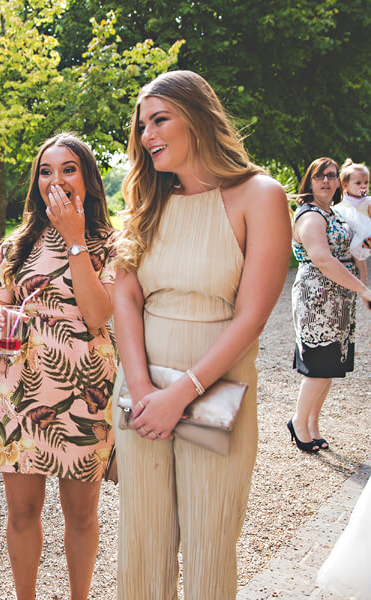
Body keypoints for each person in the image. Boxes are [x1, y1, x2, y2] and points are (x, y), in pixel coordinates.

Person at [111, 70, 291, 599]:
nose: (147, 136)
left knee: (211, 539)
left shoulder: (260, 195)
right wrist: (144, 389)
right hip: (141, 394)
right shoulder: (147, 202)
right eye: (142, 126)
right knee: (142, 538)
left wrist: (182, 393)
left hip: (217, 390)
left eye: (159, 120)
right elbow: (125, 296)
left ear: (198, 117)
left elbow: (252, 317)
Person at [0, 133, 117, 600]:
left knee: (81, 514)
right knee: (21, 512)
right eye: (46, 170)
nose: (55, 180)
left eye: (68, 169)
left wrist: (75, 239)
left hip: (85, 393)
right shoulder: (15, 245)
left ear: (87, 179)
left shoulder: (111, 243)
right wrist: (0, 315)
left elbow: (99, 315)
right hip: (20, 392)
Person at [290, 158, 371, 452]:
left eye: (332, 176)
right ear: (310, 181)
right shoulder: (311, 216)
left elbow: (355, 246)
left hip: (339, 299)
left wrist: (360, 278)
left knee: (329, 368)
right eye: (320, 176)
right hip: (317, 301)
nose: (326, 180)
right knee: (318, 368)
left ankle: (312, 424)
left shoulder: (333, 212)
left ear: (339, 182)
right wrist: (363, 288)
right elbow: (322, 259)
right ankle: (298, 422)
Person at [332, 159, 371, 282]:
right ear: (345, 185)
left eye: (366, 182)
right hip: (350, 239)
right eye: (358, 183)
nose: (363, 186)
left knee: (360, 261)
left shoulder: (367, 201)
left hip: (365, 237)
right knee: (355, 255)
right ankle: (362, 279)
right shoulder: (342, 205)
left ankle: (363, 280)